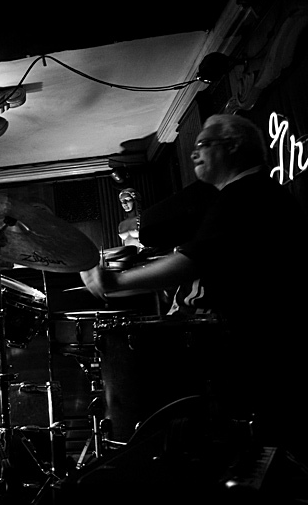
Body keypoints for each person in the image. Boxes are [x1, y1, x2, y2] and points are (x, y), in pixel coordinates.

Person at [81, 113, 308, 462]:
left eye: (203, 144)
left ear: (233, 146)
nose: (192, 152)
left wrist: (113, 281)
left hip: (271, 354)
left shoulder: (245, 194)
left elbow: (190, 262)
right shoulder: (248, 193)